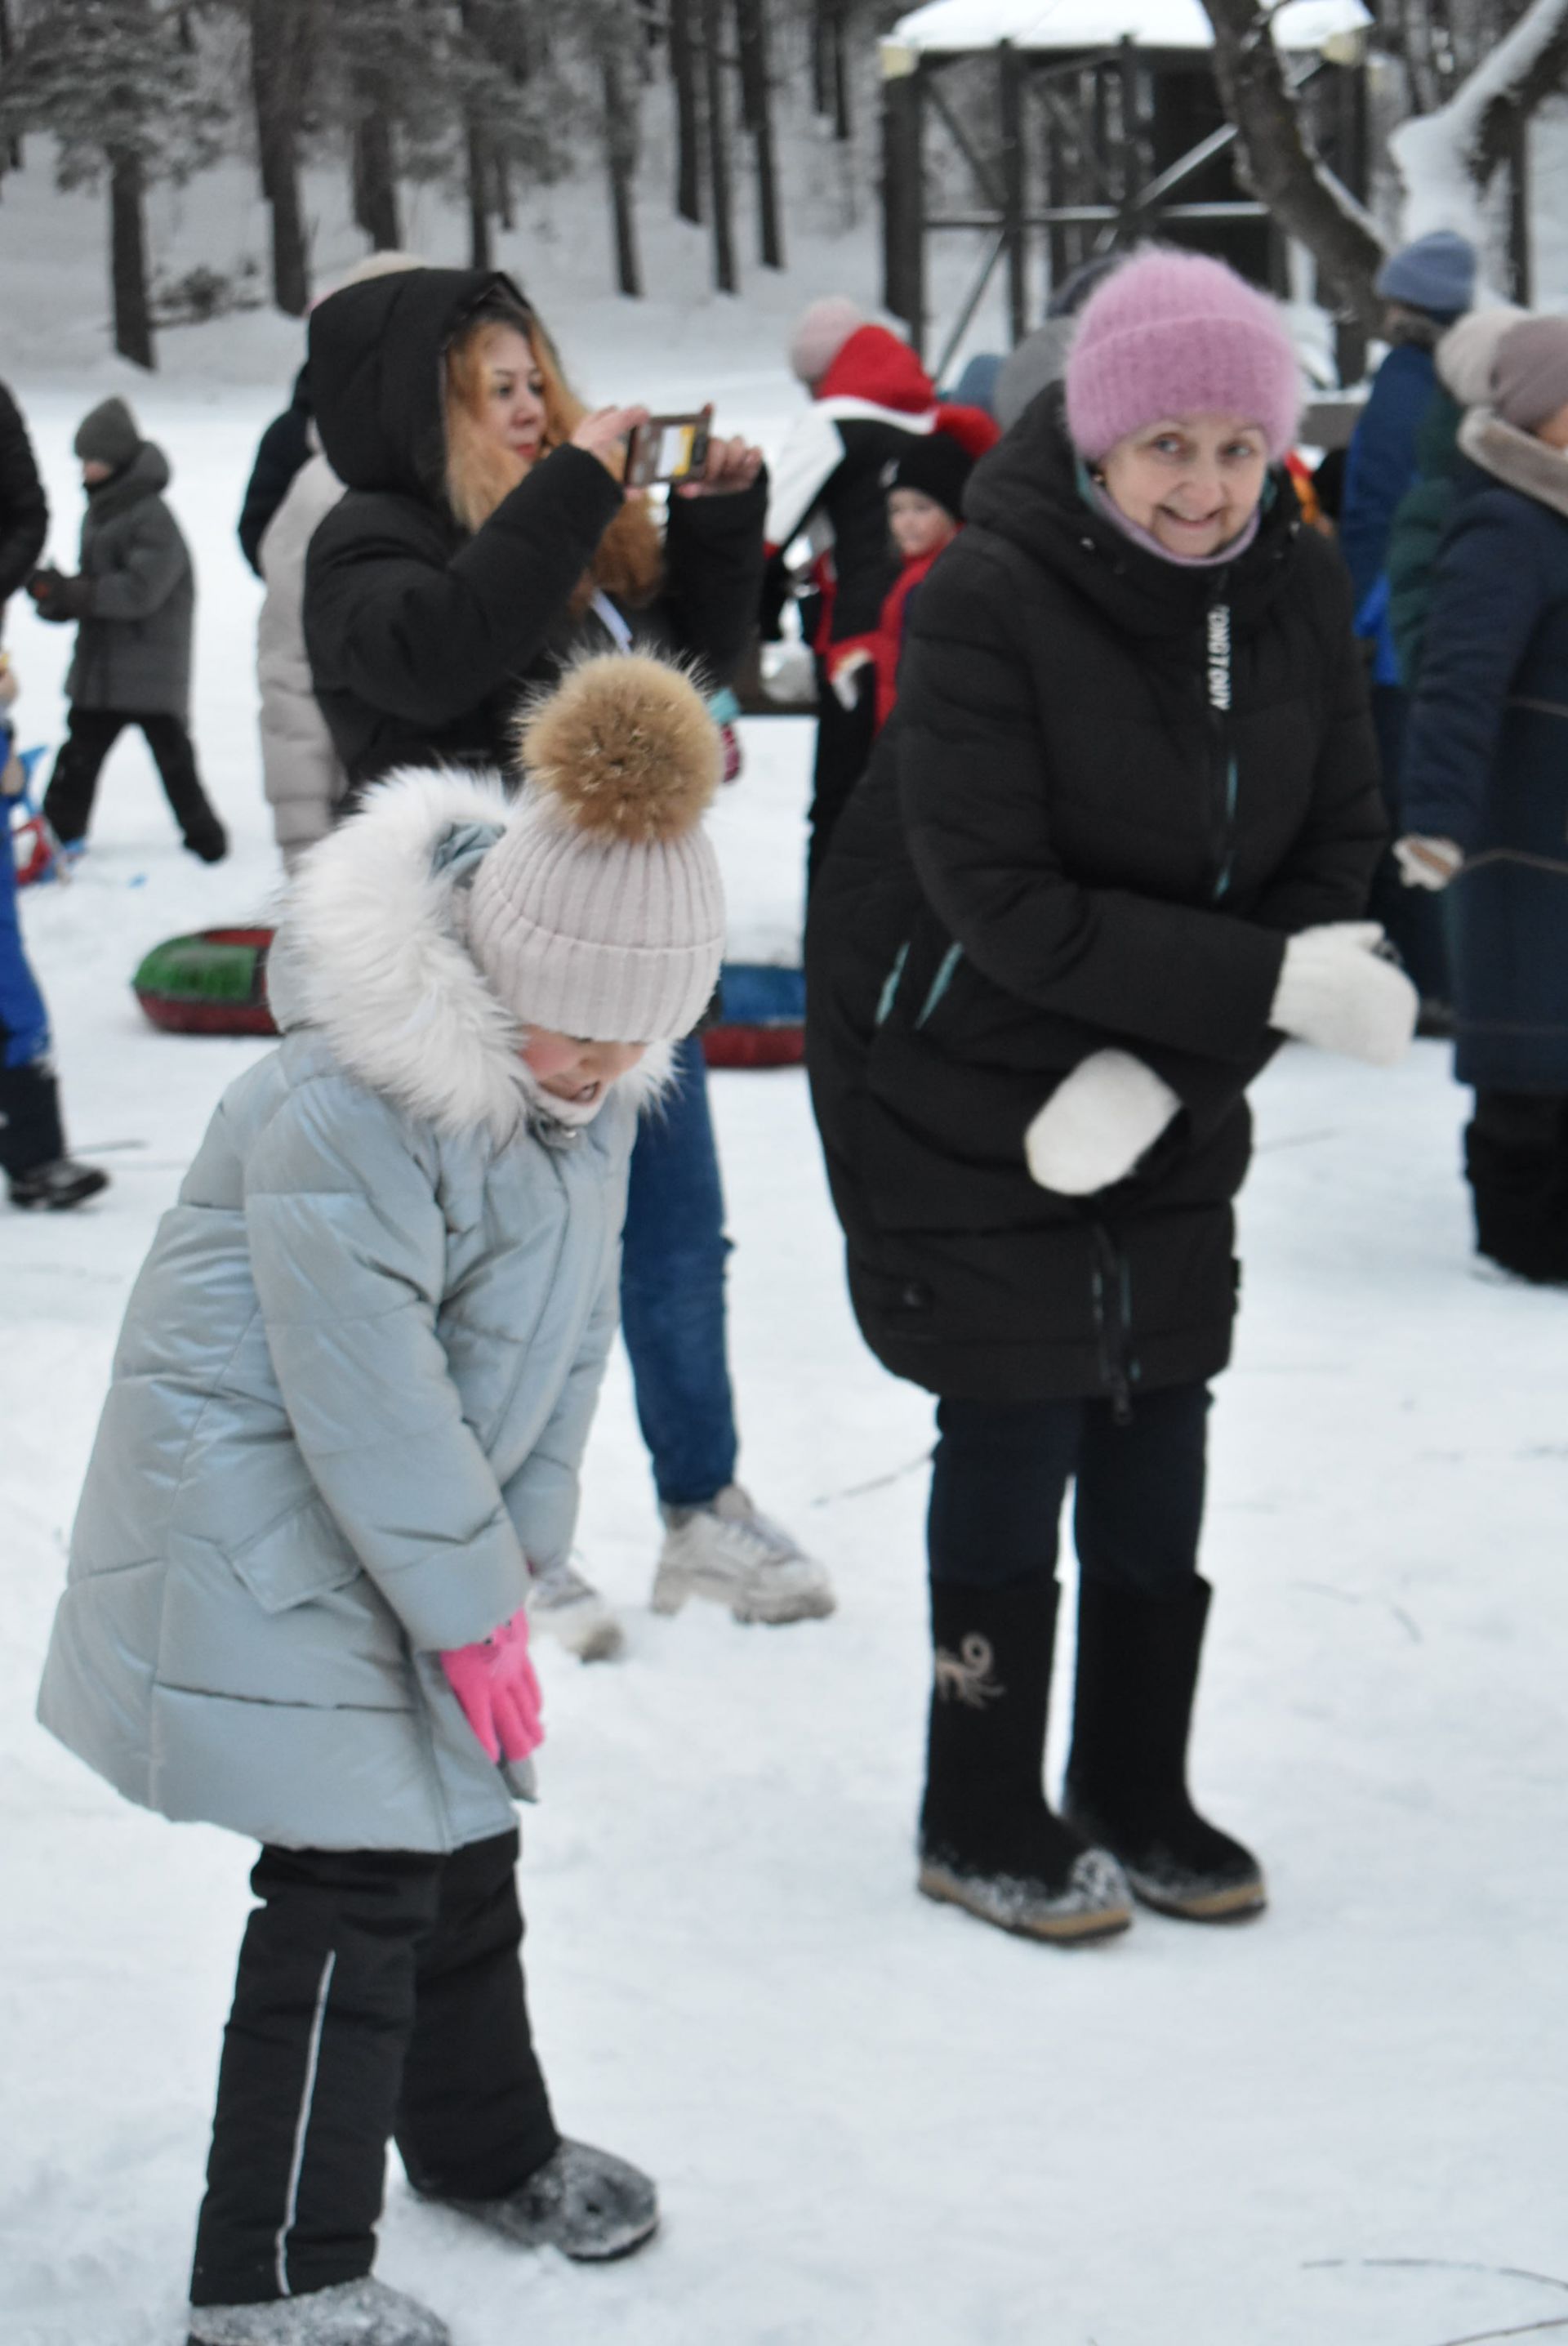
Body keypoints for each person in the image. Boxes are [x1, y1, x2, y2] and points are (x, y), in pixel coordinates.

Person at [38, 651, 728, 2346]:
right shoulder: (352, 1105)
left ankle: (484, 2146)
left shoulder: (588, 1094)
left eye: (650, 1025)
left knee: (463, 1842)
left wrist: (519, 1572)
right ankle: (270, 2270)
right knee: (352, 1889)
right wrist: (473, 1603)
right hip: (264, 1531)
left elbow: (555, 1367)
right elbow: (370, 1399)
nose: (611, 1055)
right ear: (501, 969)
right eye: (586, 1016)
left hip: (405, 1540)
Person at [806, 248, 1415, 1946]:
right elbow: (1005, 896)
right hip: (962, 1073)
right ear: (1097, 440)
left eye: (1239, 444)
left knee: (1159, 1434)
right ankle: (980, 1802)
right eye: (1170, 446)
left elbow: (1332, 865)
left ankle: (1137, 1783)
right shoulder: (990, 597)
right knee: (1015, 1430)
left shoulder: (1293, 577)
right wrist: (1241, 996)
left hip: (1165, 1084)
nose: (1207, 483)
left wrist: (1166, 1063)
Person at [302, 265, 833, 1646]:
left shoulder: (564, 551)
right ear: (428, 414)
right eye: (501, 388)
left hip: (629, 972)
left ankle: (701, 1507)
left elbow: (686, 694)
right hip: (479, 1000)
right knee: (507, 1279)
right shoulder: (372, 542)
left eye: (540, 377)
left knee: (671, 1243)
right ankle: (494, 1539)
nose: (537, 407)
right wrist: (576, 496)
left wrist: (718, 526)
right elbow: (436, 656)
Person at [1398, 314, 1568, 1283]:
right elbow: (1457, 683)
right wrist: (1437, 821)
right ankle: (1521, 1233)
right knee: (1526, 1047)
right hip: (1520, 833)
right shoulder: (1506, 521)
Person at [764, 300, 963, 885]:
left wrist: (750, 624)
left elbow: (767, 537)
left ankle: (828, 958)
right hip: (932, 628)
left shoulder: (832, 423)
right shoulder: (930, 413)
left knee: (840, 812)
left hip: (856, 645)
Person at [1339, 231, 1476, 1015]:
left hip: (1395, 627)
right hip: (1429, 617)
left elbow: (1376, 513)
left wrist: (1356, 611)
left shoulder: (1402, 382)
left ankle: (1422, 975)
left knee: (1399, 797)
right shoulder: (1454, 380)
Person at [30, 397, 226, 863]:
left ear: (116, 462)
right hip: (104, 670)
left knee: (174, 762)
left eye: (92, 461)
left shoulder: (151, 515)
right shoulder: (103, 511)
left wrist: (78, 592)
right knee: (77, 758)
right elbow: (95, 589)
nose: (84, 470)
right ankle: (59, 835)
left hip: (149, 668)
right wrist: (56, 597)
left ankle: (207, 841)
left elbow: (141, 591)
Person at [827, 427, 976, 734]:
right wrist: (859, 652)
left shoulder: (940, 581)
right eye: (896, 509)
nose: (906, 522)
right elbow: (899, 643)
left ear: (954, 511)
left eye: (922, 508)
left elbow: (926, 665)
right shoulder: (914, 573)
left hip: (927, 736)